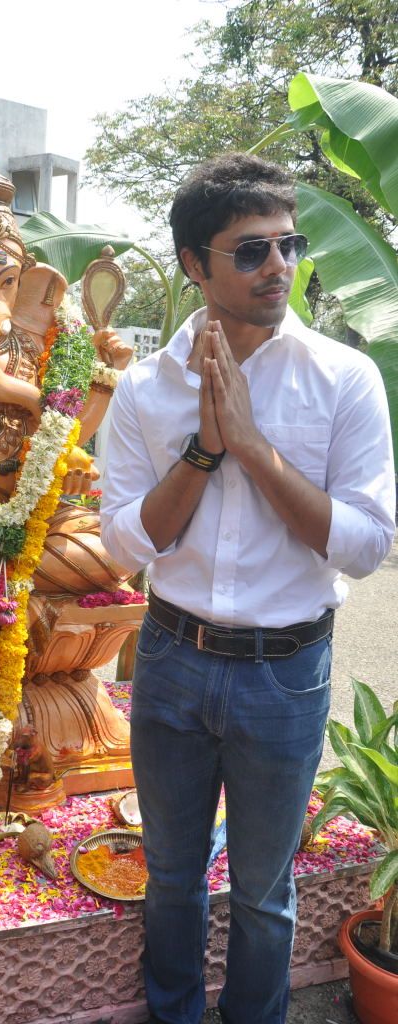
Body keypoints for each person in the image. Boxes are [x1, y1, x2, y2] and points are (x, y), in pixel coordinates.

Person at [100, 153, 395, 1024]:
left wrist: (257, 451)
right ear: (195, 263)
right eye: (251, 250)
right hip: (172, 658)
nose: (279, 265)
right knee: (171, 876)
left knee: (264, 892)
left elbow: (368, 546)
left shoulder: (343, 378)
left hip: (285, 671)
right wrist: (204, 449)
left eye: (288, 244)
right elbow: (123, 543)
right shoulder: (146, 387)